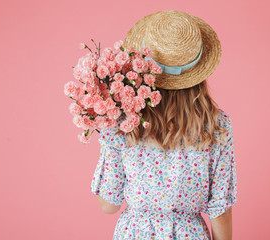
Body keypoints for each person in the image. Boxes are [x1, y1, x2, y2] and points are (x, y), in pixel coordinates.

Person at [90, 10, 238, 240]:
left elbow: (108, 204)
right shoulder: (217, 125)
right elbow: (220, 212)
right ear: (199, 72)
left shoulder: (124, 121)